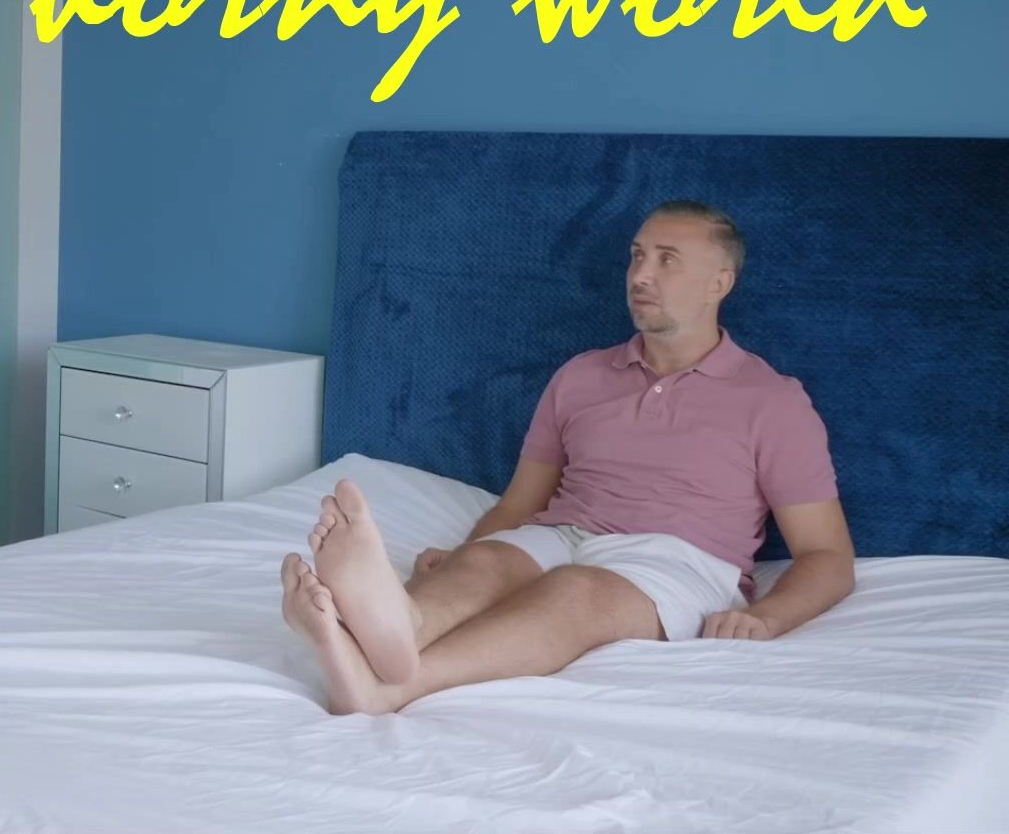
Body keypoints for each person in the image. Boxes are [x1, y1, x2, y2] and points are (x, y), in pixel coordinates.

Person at [281, 200, 855, 715]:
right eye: (637, 256)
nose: (641, 274)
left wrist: (764, 618)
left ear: (718, 283)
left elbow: (827, 555)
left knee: (577, 590)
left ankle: (388, 685)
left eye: (667, 260)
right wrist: (464, 555)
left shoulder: (773, 401)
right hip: (563, 533)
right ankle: (402, 623)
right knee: (485, 564)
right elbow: (521, 503)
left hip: (678, 561)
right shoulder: (581, 375)